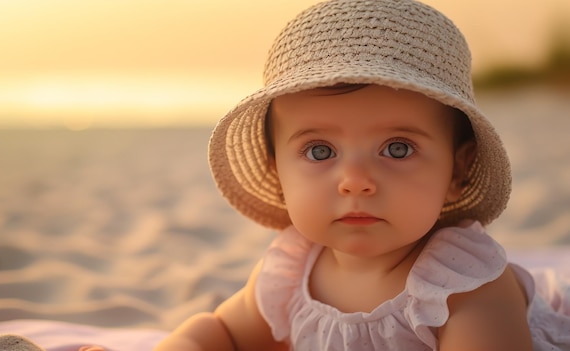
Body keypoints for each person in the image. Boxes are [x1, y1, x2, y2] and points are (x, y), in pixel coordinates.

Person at [155, 0, 570, 350]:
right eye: (320, 151)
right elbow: (221, 332)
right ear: (276, 171)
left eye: (397, 148)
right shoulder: (292, 273)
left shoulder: (462, 284)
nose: (355, 180)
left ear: (457, 171)